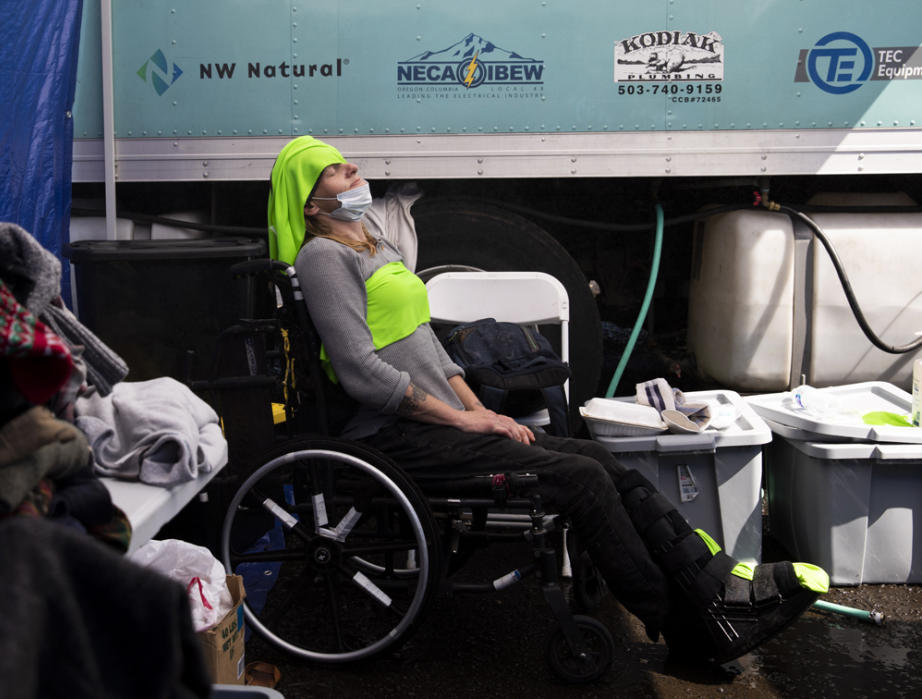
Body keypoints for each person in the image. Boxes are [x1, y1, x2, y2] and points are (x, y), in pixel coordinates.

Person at [265, 135, 828, 665]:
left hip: (440, 424)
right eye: (335, 171)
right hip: (395, 437)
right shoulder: (323, 259)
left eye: (347, 163)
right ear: (311, 205)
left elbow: (429, 349)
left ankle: (714, 584)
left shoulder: (368, 242)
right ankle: (686, 625)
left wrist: (477, 410)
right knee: (578, 480)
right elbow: (361, 373)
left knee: (598, 459)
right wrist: (463, 422)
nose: (353, 171)